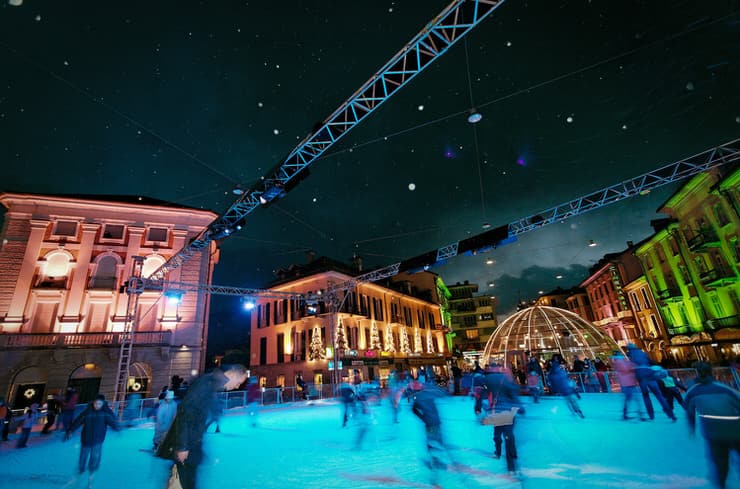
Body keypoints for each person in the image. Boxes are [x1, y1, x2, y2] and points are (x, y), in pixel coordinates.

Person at [156, 365, 248, 489]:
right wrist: (182, 446)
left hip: (191, 447)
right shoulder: (205, 384)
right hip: (185, 449)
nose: (238, 387)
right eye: (239, 382)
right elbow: (185, 413)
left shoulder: (211, 385)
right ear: (231, 374)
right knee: (181, 483)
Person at [685, 361, 740, 489]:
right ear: (711, 372)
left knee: (720, 462)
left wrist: (692, 427)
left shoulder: (692, 392)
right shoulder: (724, 389)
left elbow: (689, 412)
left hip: (713, 433)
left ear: (696, 373)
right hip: (735, 430)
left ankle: (721, 484)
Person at [64, 394, 119, 486]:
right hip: (86, 440)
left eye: (99, 404)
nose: (97, 405)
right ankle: (80, 471)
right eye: (96, 403)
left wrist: (117, 427)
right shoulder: (87, 412)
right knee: (83, 457)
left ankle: (91, 473)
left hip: (97, 441)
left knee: (95, 457)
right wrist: (70, 430)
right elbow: (78, 421)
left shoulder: (105, 413)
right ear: (93, 403)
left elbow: (112, 421)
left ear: (102, 404)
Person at [627, 343, 676, 421]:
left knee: (646, 396)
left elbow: (630, 366)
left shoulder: (630, 354)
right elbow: (650, 361)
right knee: (659, 395)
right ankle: (670, 414)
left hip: (641, 377)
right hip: (649, 374)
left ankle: (651, 415)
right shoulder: (642, 353)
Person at [612, 350, 647, 421]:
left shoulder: (621, 360)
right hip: (626, 383)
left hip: (629, 382)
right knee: (633, 399)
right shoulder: (619, 361)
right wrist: (633, 366)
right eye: (620, 353)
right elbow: (626, 369)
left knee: (631, 399)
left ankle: (629, 414)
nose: (621, 353)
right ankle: (637, 414)